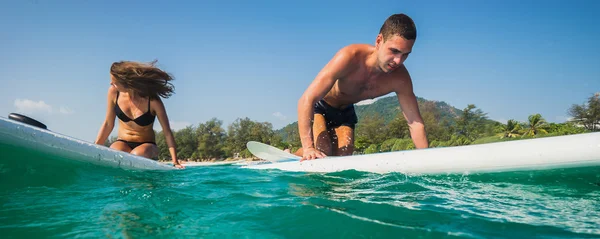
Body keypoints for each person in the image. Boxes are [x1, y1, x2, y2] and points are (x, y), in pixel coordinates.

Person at [296, 13, 429, 161]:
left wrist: (427, 161)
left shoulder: (400, 78)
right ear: (379, 41)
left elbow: (415, 123)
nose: (398, 61)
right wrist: (308, 147)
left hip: (346, 112)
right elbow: (307, 99)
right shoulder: (350, 57)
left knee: (344, 155)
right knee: (323, 150)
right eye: (394, 51)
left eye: (405, 55)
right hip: (322, 107)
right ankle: (293, 154)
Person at [94, 60, 185, 169]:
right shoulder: (114, 92)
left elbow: (167, 132)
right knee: (115, 153)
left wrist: (175, 161)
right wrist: (94, 149)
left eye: (114, 81)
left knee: (136, 156)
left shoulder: (152, 100)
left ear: (125, 81)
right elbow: (108, 123)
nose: (110, 83)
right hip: (122, 142)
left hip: (147, 145)